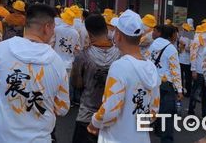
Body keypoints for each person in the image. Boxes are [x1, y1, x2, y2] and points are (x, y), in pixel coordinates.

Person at [0, 3, 70, 143]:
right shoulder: (57, 63)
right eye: (53, 27)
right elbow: (62, 108)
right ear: (47, 28)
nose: (53, 32)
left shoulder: (2, 50)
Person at [87, 9, 161, 142]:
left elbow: (110, 109)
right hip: (141, 138)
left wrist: (94, 123)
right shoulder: (151, 67)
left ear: (119, 36)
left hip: (117, 137)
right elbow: (154, 109)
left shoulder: (119, 66)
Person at [70, 13, 120, 143]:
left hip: (87, 115)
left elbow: (77, 84)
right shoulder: (120, 54)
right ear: (106, 30)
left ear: (89, 33)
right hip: (112, 116)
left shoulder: (83, 56)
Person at [148, 24, 182, 143]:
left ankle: (157, 130)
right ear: (172, 34)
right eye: (175, 33)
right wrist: (179, 90)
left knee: (154, 107)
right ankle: (166, 139)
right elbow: (175, 70)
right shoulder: (171, 48)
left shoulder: (153, 44)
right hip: (166, 84)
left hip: (152, 81)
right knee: (167, 114)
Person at [188, 20, 206, 116]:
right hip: (198, 70)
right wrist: (193, 69)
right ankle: (191, 112)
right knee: (195, 93)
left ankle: (205, 114)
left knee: (205, 94)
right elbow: (193, 55)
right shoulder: (197, 39)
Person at [53, 8, 81, 73]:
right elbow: (77, 49)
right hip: (68, 63)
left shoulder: (57, 29)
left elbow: (51, 43)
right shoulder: (75, 33)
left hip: (55, 61)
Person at [178, 21, 194, 98]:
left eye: (184, 29)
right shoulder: (182, 36)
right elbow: (179, 48)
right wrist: (180, 47)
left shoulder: (191, 37)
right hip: (181, 59)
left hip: (187, 61)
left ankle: (188, 92)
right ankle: (180, 90)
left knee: (188, 78)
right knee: (180, 77)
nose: (183, 30)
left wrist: (184, 46)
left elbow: (191, 49)